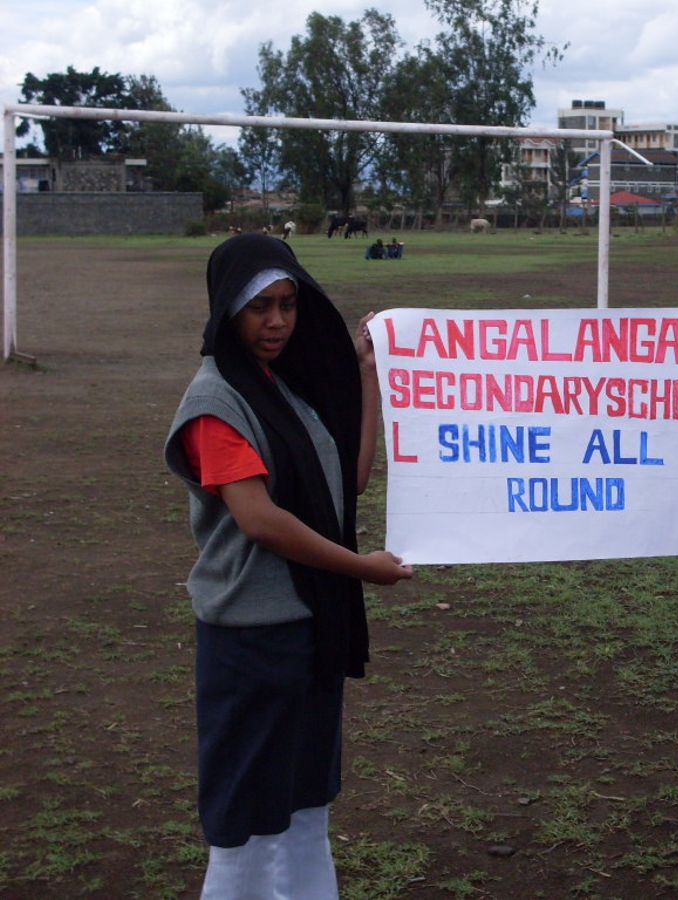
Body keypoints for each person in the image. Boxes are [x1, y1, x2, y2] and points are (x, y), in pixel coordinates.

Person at [164, 233, 411, 897]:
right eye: (257, 308)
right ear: (226, 312)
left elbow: (348, 483)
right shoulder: (217, 403)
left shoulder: (283, 390)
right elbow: (261, 520)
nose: (276, 321)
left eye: (287, 304)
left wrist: (367, 377)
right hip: (252, 642)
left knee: (306, 813)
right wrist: (364, 569)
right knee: (243, 831)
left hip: (309, 630)